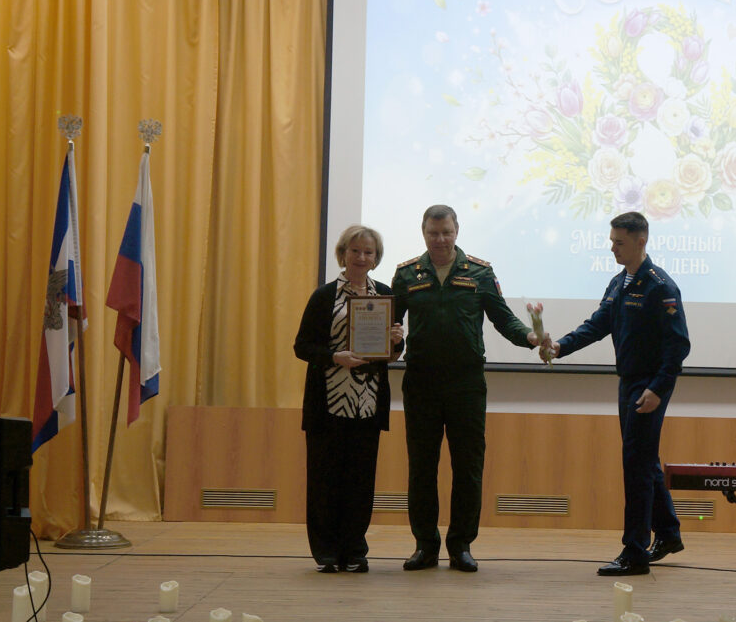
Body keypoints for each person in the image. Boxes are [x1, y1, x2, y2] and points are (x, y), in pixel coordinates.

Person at [392, 205, 546, 573]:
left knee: (468, 468)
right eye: (433, 233)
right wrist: (388, 344)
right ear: (423, 232)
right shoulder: (405, 274)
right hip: (421, 383)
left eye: (446, 232)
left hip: (466, 385)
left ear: (456, 231)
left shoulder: (479, 271)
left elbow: (502, 318)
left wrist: (530, 336)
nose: (440, 239)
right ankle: (425, 546)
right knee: (422, 469)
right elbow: (388, 325)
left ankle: (460, 545)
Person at [548, 211, 690, 576]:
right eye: (611, 241)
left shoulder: (661, 286)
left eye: (619, 242)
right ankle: (669, 534)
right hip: (628, 382)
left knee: (636, 467)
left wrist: (658, 389)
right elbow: (598, 324)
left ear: (641, 241)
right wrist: (561, 347)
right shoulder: (618, 282)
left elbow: (678, 346)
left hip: (649, 386)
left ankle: (634, 552)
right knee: (643, 460)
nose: (612, 247)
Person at [293, 225, 404, 573]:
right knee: (325, 479)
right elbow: (302, 347)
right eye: (355, 251)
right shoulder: (324, 296)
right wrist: (333, 357)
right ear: (343, 254)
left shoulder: (385, 295)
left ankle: (354, 550)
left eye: (368, 252)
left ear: (376, 258)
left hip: (367, 404)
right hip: (329, 402)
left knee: (360, 481)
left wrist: (397, 340)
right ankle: (326, 552)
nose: (361, 257)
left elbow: (391, 355)